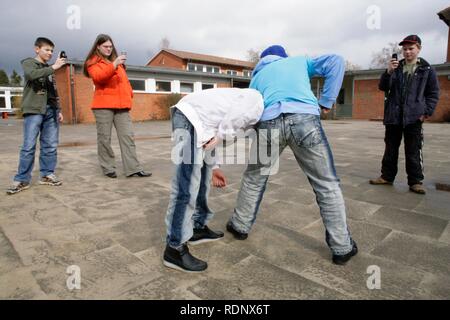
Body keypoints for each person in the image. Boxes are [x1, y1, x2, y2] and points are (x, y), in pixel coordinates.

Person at [227, 45, 358, 265]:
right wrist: (326, 101)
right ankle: (342, 247)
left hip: (268, 125)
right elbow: (336, 60)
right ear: (283, 57)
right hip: (304, 120)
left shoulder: (257, 77)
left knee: (254, 178)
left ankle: (239, 225)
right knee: (326, 184)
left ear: (263, 60)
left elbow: (249, 110)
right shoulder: (299, 61)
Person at [164, 88, 264, 273]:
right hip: (189, 119)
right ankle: (174, 247)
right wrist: (220, 138)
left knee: (203, 178)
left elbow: (214, 131)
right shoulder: (257, 100)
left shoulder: (250, 106)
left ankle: (197, 226)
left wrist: (215, 167)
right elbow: (227, 126)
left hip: (198, 123)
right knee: (185, 186)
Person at [370, 35, 440, 194]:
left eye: (411, 49)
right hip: (393, 116)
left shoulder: (427, 70)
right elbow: (383, 87)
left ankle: (415, 181)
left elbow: (433, 93)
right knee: (390, 149)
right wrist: (388, 72)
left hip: (414, 117)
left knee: (413, 150)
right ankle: (386, 176)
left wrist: (425, 112)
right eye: (405, 49)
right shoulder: (396, 67)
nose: (407, 52)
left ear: (419, 49)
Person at [83, 34, 151, 179]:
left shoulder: (116, 63)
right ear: (98, 47)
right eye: (105, 46)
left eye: (110, 46)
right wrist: (113, 64)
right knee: (104, 139)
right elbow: (99, 78)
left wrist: (130, 94)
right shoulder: (92, 62)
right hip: (103, 106)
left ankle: (133, 168)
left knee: (128, 137)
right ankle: (108, 168)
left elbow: (124, 82)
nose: (109, 48)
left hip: (122, 106)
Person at [6, 37, 66, 195]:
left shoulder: (49, 69)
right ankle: (22, 179)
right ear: (37, 49)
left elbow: (53, 91)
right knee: (28, 146)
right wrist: (54, 67)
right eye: (47, 49)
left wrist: (58, 109)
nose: (50, 53)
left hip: (51, 111)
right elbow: (32, 75)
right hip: (33, 110)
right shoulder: (29, 63)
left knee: (50, 145)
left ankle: (46, 174)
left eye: (52, 51)